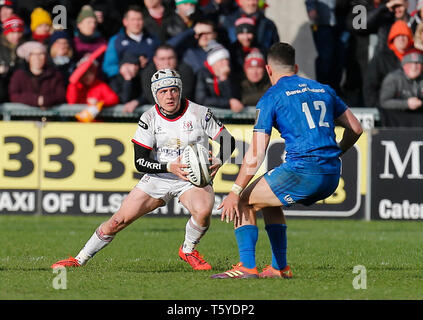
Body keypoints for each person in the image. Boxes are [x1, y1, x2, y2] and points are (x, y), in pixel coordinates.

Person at [51, 68, 236, 271]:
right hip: (160, 175)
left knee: (203, 212)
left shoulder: (200, 113)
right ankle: (79, 259)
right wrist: (169, 166)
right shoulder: (148, 118)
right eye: (163, 92)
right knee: (117, 221)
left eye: (173, 90)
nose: (169, 96)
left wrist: (218, 159)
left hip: (191, 178)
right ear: (155, 94)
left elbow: (228, 141)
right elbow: (140, 161)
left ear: (180, 90)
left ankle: (189, 249)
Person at [211, 42, 363, 279]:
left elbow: (256, 152)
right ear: (296, 66)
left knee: (242, 201)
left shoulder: (271, 97)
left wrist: (234, 191)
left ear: (268, 70)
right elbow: (356, 128)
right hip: (332, 175)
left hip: (303, 171)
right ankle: (279, 268)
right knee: (269, 203)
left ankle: (246, 267)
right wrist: (338, 151)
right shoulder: (324, 89)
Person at [364, 19, 415, 108]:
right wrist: (376, 107)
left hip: (413, 108)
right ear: (392, 39)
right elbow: (370, 85)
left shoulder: (416, 58)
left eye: (404, 35)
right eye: (397, 35)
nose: (401, 39)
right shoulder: (381, 58)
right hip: (386, 108)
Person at [102, 5, 160, 80]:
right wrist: (121, 68)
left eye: (139, 19)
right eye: (132, 20)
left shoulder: (153, 39)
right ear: (125, 22)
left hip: (150, 82)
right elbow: (107, 67)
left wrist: (148, 62)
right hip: (126, 84)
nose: (136, 23)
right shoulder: (116, 41)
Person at [9, 41, 66, 108]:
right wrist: (36, 100)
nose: (38, 58)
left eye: (41, 54)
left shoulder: (54, 75)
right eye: (34, 55)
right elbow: (14, 95)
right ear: (28, 57)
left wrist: (45, 100)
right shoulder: (19, 75)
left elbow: (61, 95)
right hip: (24, 117)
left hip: (50, 116)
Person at [67, 51, 120, 122]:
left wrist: (99, 102)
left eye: (90, 73)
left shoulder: (100, 85)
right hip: (79, 125)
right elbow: (71, 102)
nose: (87, 77)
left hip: (97, 124)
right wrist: (74, 81)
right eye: (84, 74)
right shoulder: (76, 86)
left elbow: (114, 99)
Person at [195, 41, 244, 111]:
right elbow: (202, 99)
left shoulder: (232, 74)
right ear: (213, 62)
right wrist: (227, 102)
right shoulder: (203, 74)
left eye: (226, 59)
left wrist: (225, 80)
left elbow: (235, 99)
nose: (225, 62)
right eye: (221, 60)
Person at [379, 50, 423, 126]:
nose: (414, 67)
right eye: (410, 63)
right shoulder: (394, 78)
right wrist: (406, 104)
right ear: (404, 66)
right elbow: (384, 102)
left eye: (417, 63)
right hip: (396, 120)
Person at [0, 14, 25, 102]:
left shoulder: (25, 47)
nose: (16, 36)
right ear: (6, 32)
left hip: (19, 92)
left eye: (19, 32)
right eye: (12, 32)